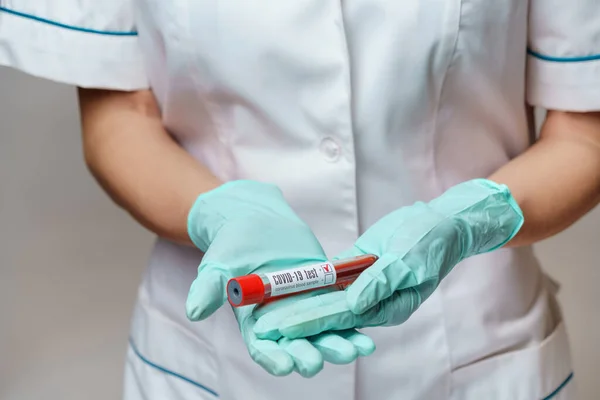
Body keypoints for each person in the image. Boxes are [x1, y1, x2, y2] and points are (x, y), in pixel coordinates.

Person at [1, 1, 599, 399]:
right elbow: (118, 117)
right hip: (213, 359)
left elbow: (584, 132)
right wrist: (218, 212)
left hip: (471, 349)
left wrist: (468, 220)